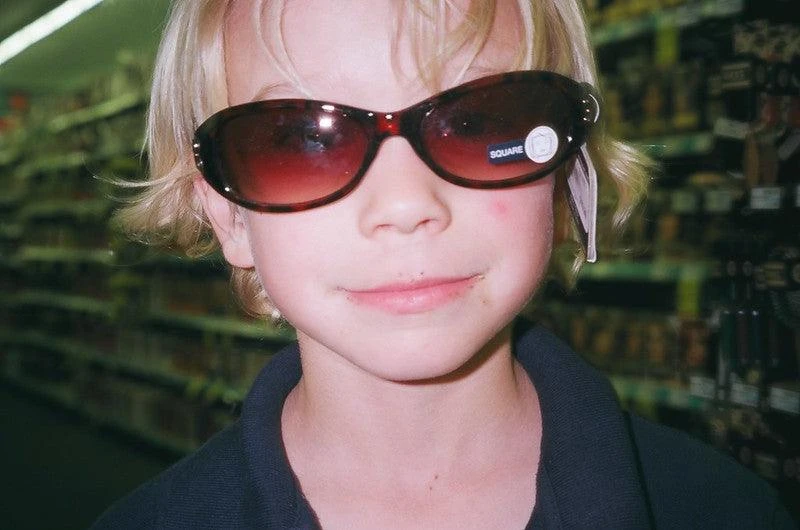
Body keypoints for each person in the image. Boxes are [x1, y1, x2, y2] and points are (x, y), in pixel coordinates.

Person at [92, 0, 795, 528]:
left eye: (479, 120)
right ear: (228, 217)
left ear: (562, 173)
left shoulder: (727, 510)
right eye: (302, 139)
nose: (406, 204)